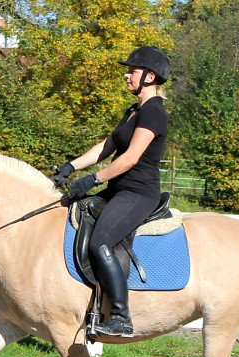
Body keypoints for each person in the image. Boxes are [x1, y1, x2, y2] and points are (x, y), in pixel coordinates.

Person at [52, 46, 170, 337]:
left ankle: (120, 316)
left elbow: (130, 158)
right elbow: (107, 146)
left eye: (133, 70)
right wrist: (71, 166)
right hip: (118, 190)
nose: (127, 74)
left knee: (100, 243)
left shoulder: (154, 112)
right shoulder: (134, 111)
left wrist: (92, 180)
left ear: (150, 76)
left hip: (138, 194)